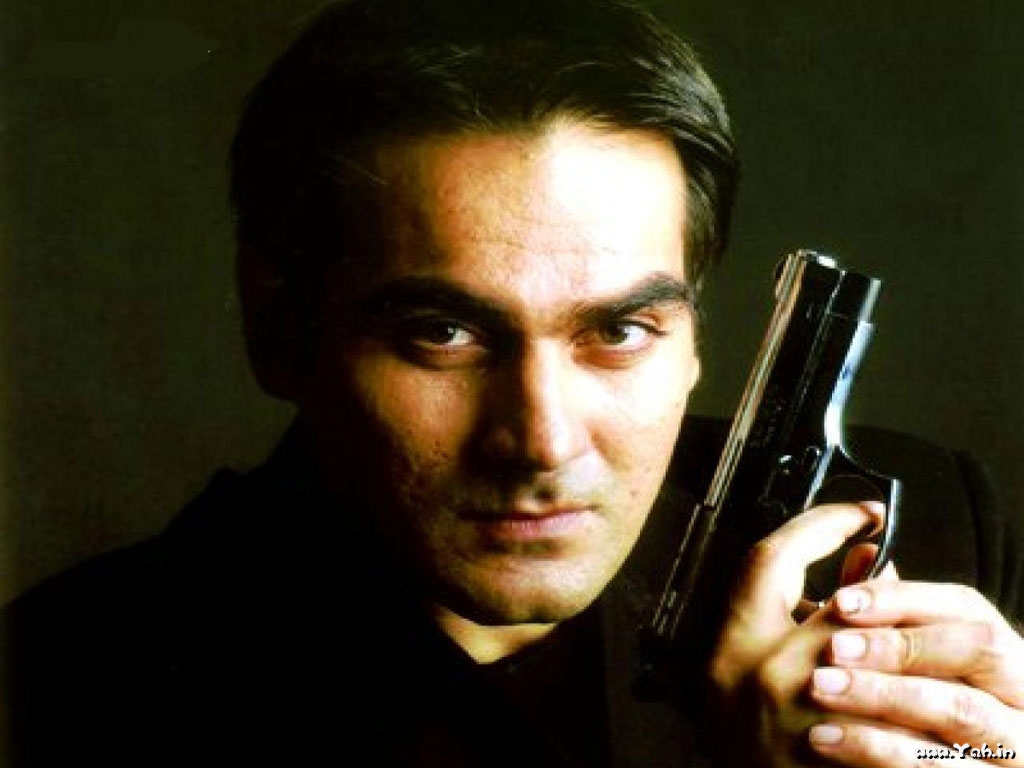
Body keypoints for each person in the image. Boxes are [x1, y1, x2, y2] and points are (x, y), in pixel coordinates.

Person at [2, 0, 1023, 765]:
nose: (541, 441)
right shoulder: (57, 695)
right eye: (442, 334)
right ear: (280, 333)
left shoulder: (935, 539)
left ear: (695, 335)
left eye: (618, 330)